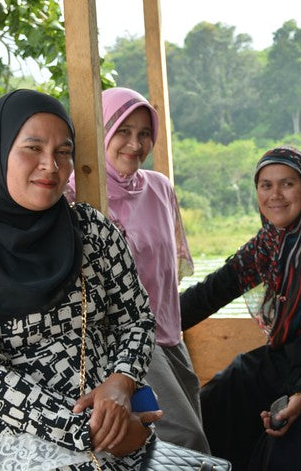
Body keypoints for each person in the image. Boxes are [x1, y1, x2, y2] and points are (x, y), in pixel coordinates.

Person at [0, 89, 160, 470]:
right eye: (32, 149)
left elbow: (136, 317)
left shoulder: (91, 231)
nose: (51, 166)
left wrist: (123, 380)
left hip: (122, 436)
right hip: (23, 450)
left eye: (63, 151)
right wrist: (92, 433)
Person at [179, 146, 301, 471]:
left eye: (287, 183)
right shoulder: (272, 240)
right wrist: (154, 323)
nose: (275, 195)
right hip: (286, 359)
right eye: (266, 185)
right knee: (218, 398)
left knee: (286, 443)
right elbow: (216, 289)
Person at [66, 87, 209, 453]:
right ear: (102, 133)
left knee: (180, 439)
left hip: (171, 335)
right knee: (185, 439)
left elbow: (167, 270)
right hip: (127, 344)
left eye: (144, 133)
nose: (135, 143)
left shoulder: (159, 188)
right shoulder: (77, 196)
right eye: (123, 131)